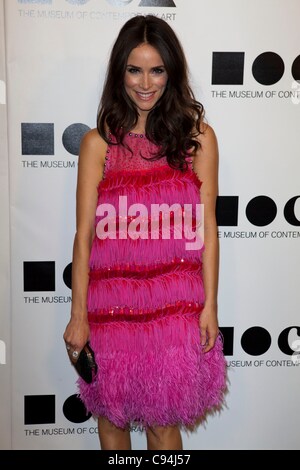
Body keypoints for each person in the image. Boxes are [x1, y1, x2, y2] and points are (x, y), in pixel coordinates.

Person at [64, 14, 227, 450]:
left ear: (171, 73)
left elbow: (207, 228)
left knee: (162, 425)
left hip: (174, 306)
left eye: (156, 69)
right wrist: (78, 315)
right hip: (111, 305)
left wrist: (209, 306)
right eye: (134, 69)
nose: (145, 83)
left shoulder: (197, 140)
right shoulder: (98, 143)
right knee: (112, 420)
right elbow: (84, 237)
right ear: (120, 72)